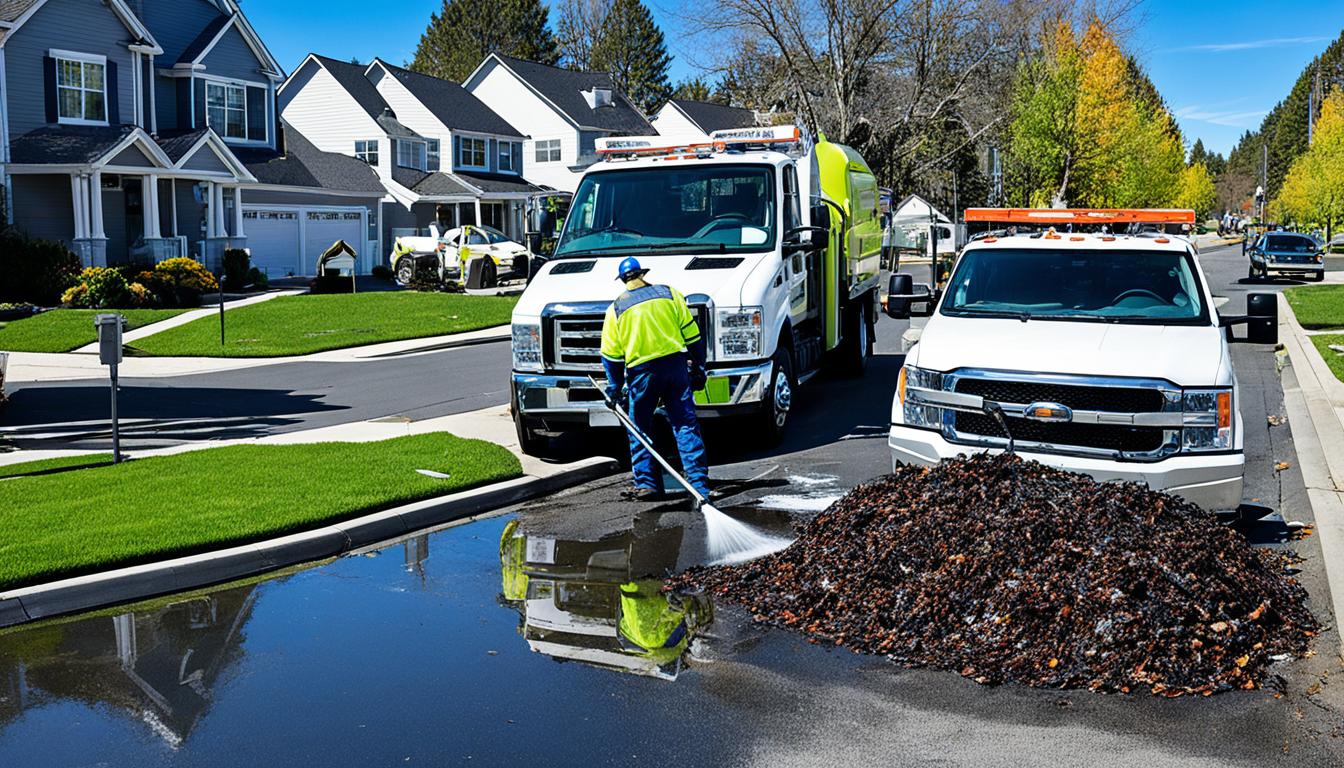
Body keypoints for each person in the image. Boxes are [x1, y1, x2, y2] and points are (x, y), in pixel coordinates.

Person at [600, 257, 711, 501]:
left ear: (623, 281)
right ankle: (699, 486)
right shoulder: (670, 295)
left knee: (639, 428)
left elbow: (611, 356)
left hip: (642, 374)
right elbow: (693, 337)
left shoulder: (616, 308)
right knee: (685, 425)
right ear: (643, 275)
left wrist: (614, 388)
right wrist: (700, 367)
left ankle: (647, 484)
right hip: (675, 367)